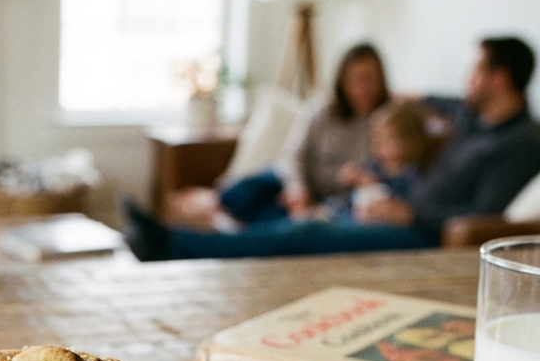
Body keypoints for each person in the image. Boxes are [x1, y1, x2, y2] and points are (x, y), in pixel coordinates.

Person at [127, 36, 540, 260]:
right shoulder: (472, 118)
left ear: (499, 79)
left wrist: (410, 212)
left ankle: (171, 245)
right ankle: (176, 239)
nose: (467, 79)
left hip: (419, 231)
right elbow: (439, 101)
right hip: (391, 203)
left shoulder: (518, 143)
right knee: (285, 215)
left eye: (476, 70)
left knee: (305, 232)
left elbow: (487, 216)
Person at [168, 43, 390, 228]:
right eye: (355, 79)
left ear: (381, 80)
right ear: (342, 82)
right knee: (237, 194)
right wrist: (298, 190)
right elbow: (292, 155)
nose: (363, 87)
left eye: (369, 78)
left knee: (288, 223)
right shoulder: (322, 111)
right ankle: (196, 205)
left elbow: (385, 177)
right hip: (292, 181)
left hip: (328, 202)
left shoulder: (387, 121)